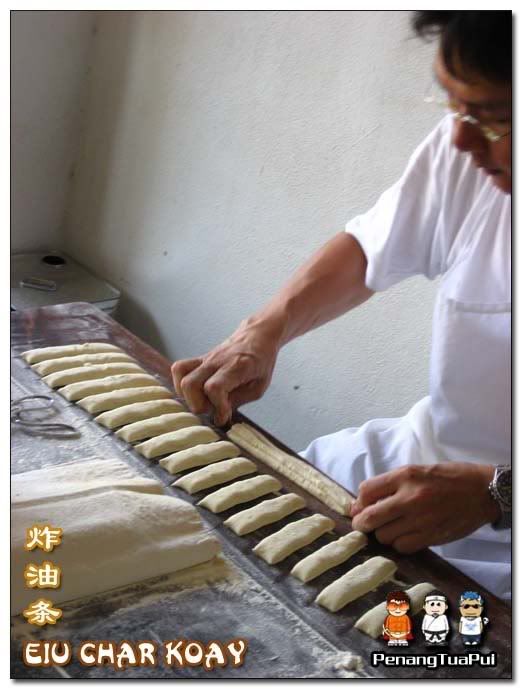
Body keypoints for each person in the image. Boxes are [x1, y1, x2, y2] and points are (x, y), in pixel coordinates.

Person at [172, 11, 512, 601]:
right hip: (419, 461)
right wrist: (265, 329)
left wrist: (498, 492)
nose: (460, 141)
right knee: (214, 518)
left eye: (494, 120)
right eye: (455, 110)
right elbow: (371, 247)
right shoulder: (471, 149)